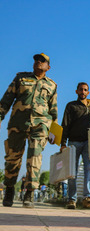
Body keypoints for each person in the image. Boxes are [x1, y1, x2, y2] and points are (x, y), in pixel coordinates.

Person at [0, 53, 57, 208]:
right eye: (36, 60)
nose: (38, 62)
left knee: (35, 159)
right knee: (12, 158)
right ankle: (10, 189)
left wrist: (54, 132)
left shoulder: (52, 85)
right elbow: (6, 99)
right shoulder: (21, 78)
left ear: (48, 67)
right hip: (17, 123)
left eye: (42, 60)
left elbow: (53, 111)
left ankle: (30, 193)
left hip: (40, 125)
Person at [61, 82, 90, 209]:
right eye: (81, 90)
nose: (83, 92)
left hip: (88, 142)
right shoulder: (71, 106)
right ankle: (71, 199)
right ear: (76, 91)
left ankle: (87, 197)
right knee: (72, 171)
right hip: (73, 142)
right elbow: (65, 124)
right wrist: (63, 143)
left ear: (88, 92)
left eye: (85, 90)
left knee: (89, 168)